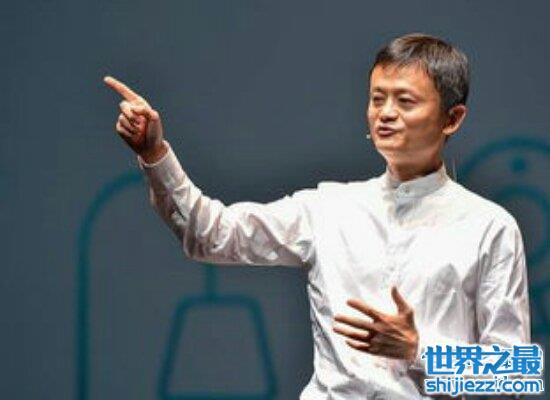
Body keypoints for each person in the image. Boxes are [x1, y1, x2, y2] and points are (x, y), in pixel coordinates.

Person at [104, 33, 531, 399]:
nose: (385, 113)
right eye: (377, 98)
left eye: (405, 101)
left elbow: (513, 375)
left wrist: (418, 350)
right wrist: (154, 153)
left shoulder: (488, 227)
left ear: (452, 118)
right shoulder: (328, 207)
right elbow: (209, 235)